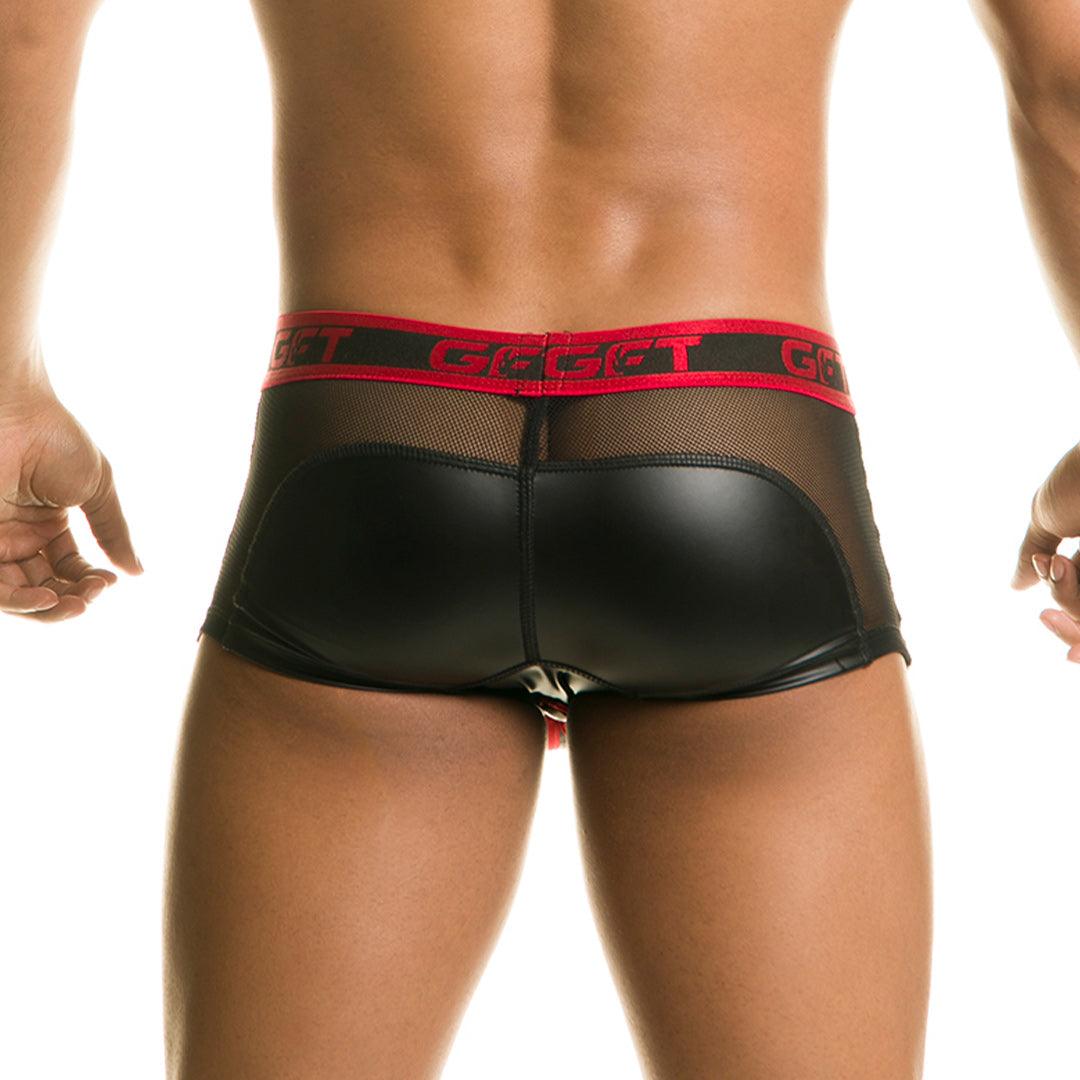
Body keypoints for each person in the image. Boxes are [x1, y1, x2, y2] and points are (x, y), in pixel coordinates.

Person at [0, 1, 1070, 1077]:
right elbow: (1065, 74)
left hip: (372, 445)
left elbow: (22, 31)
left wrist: (7, 397)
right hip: (729, 437)